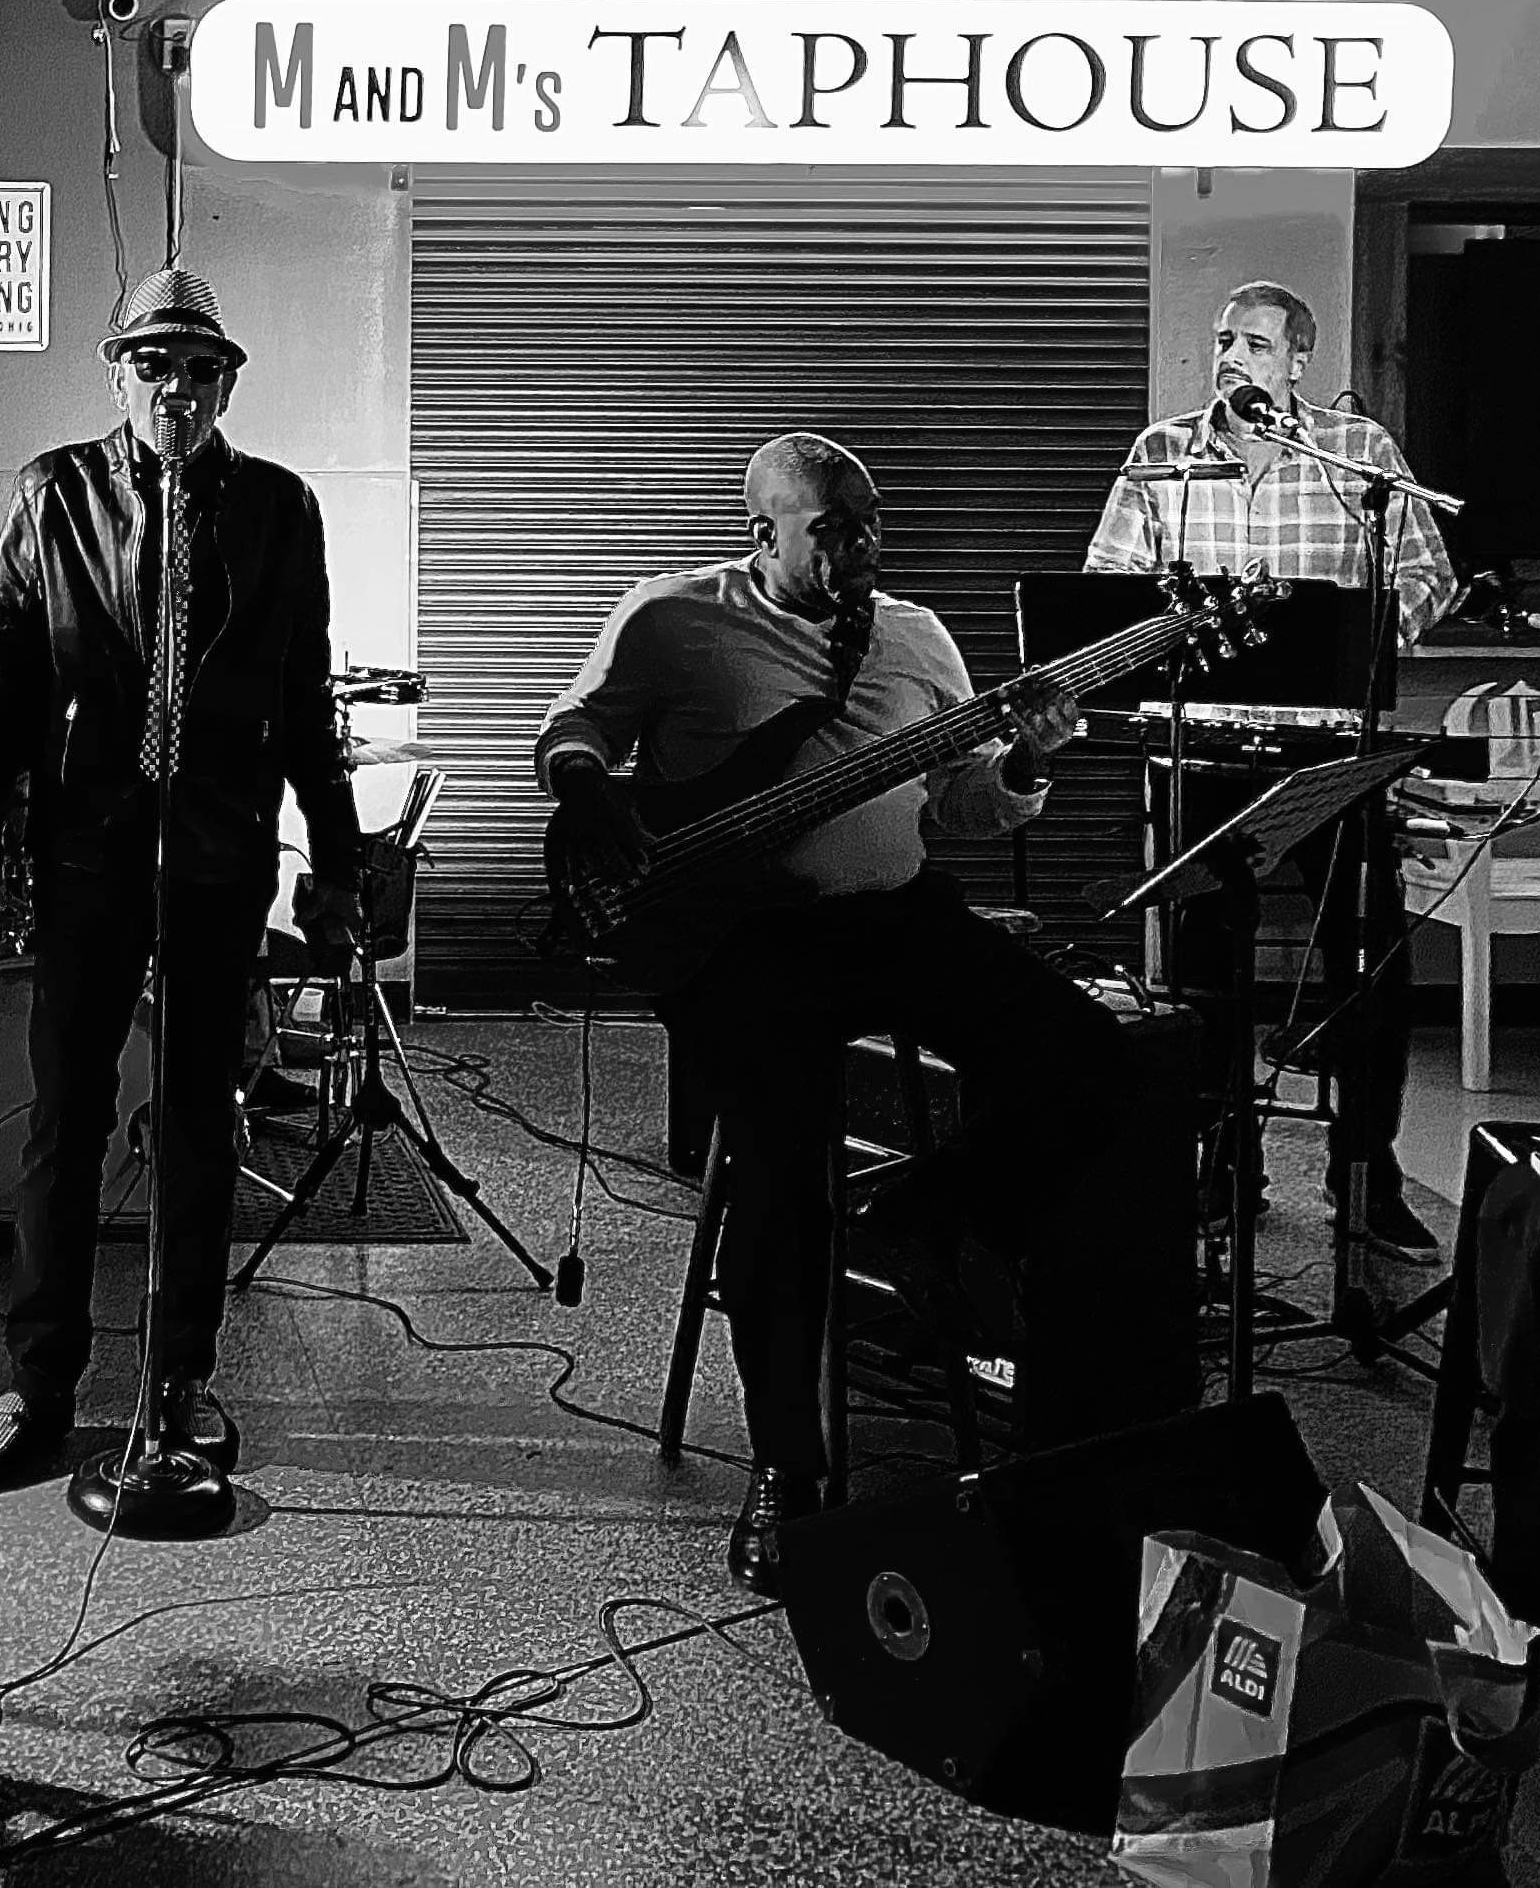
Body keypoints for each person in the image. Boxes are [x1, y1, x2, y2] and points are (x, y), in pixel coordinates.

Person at [540, 435, 1193, 1593]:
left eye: (871, 522)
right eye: (832, 528)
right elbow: (575, 729)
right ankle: (787, 1471)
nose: (861, 545)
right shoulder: (673, 616)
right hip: (745, 944)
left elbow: (962, 807)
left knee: (1096, 1061)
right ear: (764, 534)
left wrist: (1025, 765)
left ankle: (921, 1214)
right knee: (781, 1186)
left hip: (895, 915)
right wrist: (588, 785)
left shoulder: (918, 638)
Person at [0, 268, 362, 1497]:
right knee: (65, 1117)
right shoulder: (55, 490)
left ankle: (179, 1379)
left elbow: (305, 695)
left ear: (227, 384)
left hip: (220, 853)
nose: (177, 389)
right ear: (118, 373)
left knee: (197, 1120)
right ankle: (40, 1384)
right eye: (154, 366)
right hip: (89, 848)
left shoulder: (278, 506)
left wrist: (337, 859)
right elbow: (4, 675)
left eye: (200, 370)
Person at [1087, 280, 1458, 1261]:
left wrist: (1353, 641)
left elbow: (1430, 576)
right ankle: (1225, 1168)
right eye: (1224, 340)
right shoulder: (1163, 455)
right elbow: (1107, 588)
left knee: (1372, 960)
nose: (1232, 356)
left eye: (1254, 342)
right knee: (1204, 973)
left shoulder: (1357, 454)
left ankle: (1366, 1176)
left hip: (1329, 754)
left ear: (1299, 359)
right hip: (1204, 753)